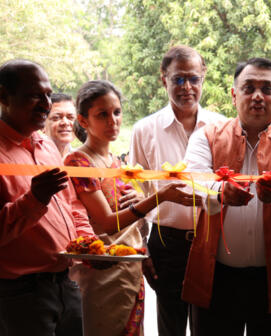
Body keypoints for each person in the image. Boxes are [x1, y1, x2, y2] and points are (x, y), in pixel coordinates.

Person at [0, 59, 94, 335]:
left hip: (65, 282)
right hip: (17, 293)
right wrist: (34, 200)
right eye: (34, 96)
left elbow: (70, 205)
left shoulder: (46, 146)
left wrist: (87, 243)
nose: (45, 104)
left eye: (48, 96)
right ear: (3, 96)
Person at [182, 57, 271, 335]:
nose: (257, 96)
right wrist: (220, 192)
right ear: (234, 96)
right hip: (217, 275)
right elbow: (193, 178)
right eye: (248, 88)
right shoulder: (206, 136)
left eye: (267, 89)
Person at [64, 80, 201, 336]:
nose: (113, 121)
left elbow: (133, 219)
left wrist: (145, 249)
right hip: (100, 272)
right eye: (102, 115)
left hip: (129, 267)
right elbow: (105, 222)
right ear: (83, 121)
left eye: (116, 112)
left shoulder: (116, 162)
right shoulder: (79, 161)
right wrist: (160, 197)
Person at [127, 45, 226, 336]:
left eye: (193, 79)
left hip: (213, 239)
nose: (187, 87)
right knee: (170, 325)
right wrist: (141, 247)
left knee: (210, 325)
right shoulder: (145, 130)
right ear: (163, 80)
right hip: (165, 242)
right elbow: (135, 193)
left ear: (203, 78)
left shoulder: (222, 127)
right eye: (178, 79)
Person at [43, 92, 77, 157]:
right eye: (56, 118)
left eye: (71, 117)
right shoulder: (33, 159)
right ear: (42, 125)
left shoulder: (83, 161)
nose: (65, 122)